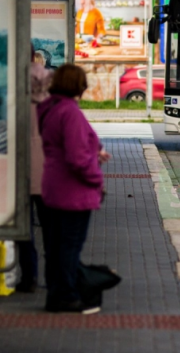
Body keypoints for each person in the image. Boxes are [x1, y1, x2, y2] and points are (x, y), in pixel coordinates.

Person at [37, 64, 111, 314]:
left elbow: (64, 147)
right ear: (78, 85)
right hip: (73, 191)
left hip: (53, 186)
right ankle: (67, 296)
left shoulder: (49, 108)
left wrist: (94, 153)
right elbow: (77, 158)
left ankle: (55, 294)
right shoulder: (70, 112)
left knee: (56, 246)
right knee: (69, 247)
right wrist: (97, 180)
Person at [15, 46, 53, 293]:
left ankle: (29, 278)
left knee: (23, 228)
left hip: (17, 169)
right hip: (49, 171)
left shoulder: (11, 86)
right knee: (52, 229)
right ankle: (55, 279)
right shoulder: (54, 90)